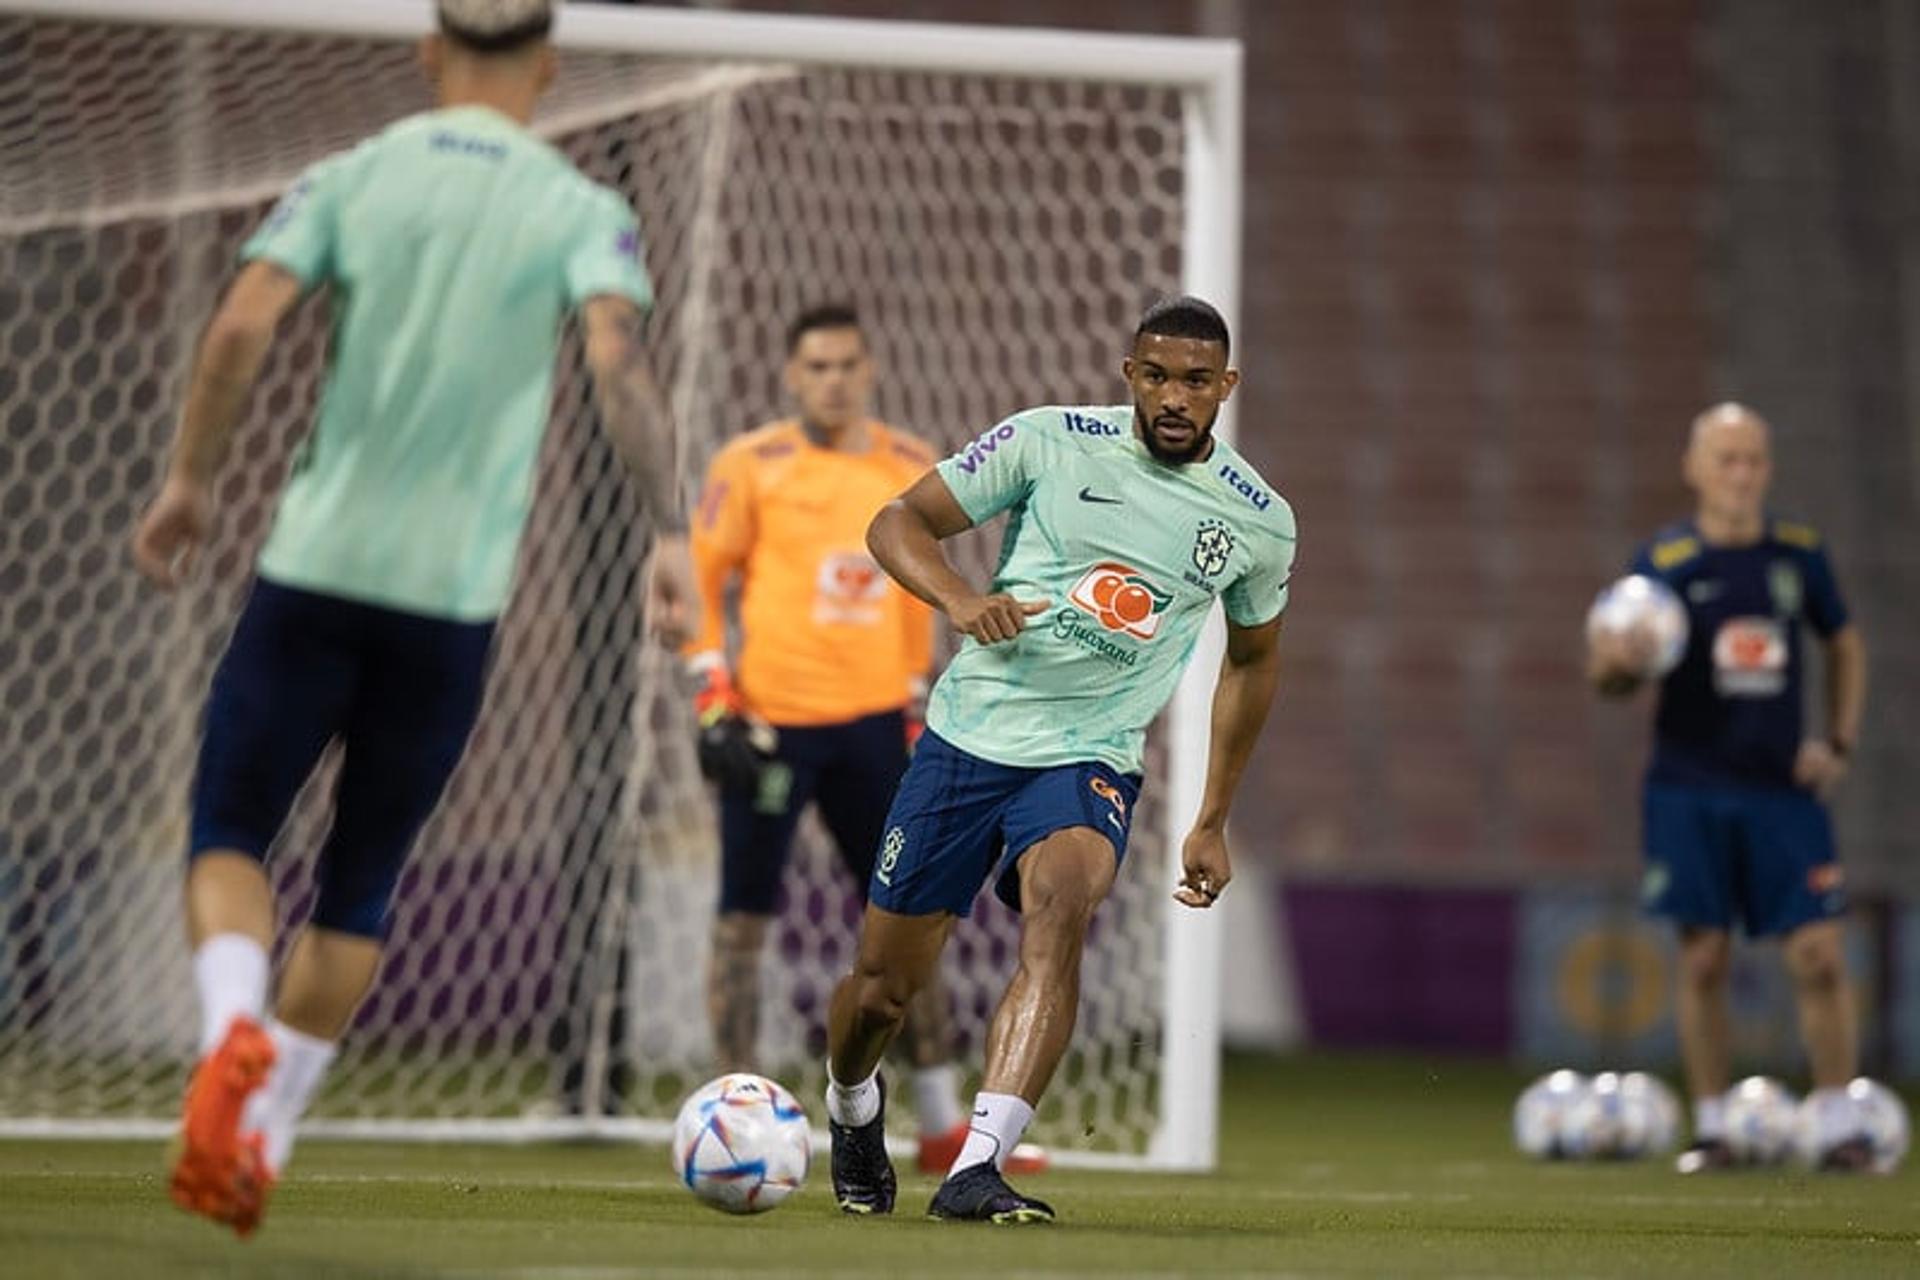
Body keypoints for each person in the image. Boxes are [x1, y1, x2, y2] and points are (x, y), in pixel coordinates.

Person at [129, 0, 694, 1236]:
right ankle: (259, 1146)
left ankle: (230, 1033)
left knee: (230, 825)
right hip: (452, 605)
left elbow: (238, 324)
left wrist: (189, 480)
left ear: (430, 53)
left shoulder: (350, 175)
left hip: (316, 570)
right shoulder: (581, 208)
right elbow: (617, 365)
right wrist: (669, 529)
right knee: (361, 881)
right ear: (547, 67)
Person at [820, 295, 1295, 1222]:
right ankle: (850, 1103)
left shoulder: (1258, 519)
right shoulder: (1048, 440)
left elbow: (1254, 660)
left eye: (1196, 381)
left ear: (1225, 388)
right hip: (969, 738)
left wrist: (1210, 819)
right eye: (1156, 375)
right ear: (1129, 375)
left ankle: (978, 1165)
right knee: (882, 992)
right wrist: (958, 599)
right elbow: (896, 522)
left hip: (1090, 752)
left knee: (1064, 901)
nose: (1174, 396)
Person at [685, 303, 1042, 1174]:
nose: (832, 380)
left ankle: (937, 1121)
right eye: (816, 366)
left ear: (868, 370)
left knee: (906, 926)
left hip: (879, 728)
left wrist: (920, 702)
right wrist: (710, 696)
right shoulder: (750, 464)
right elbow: (699, 580)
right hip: (771, 726)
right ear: (790, 374)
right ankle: (738, 1118)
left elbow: (915, 595)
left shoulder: (908, 464)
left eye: (846, 364)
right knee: (742, 922)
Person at [1587, 402, 1869, 1173]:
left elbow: (1843, 640)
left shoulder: (1799, 555)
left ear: (1767, 469)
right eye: (1725, 459)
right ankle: (1713, 1128)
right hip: (1689, 786)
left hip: (1782, 791)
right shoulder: (1664, 564)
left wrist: (1837, 741)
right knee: (1704, 959)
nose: (1740, 474)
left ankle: (1842, 1124)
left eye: (1752, 460)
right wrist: (1615, 663)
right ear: (1695, 467)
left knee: (1819, 953)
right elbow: (1609, 674)